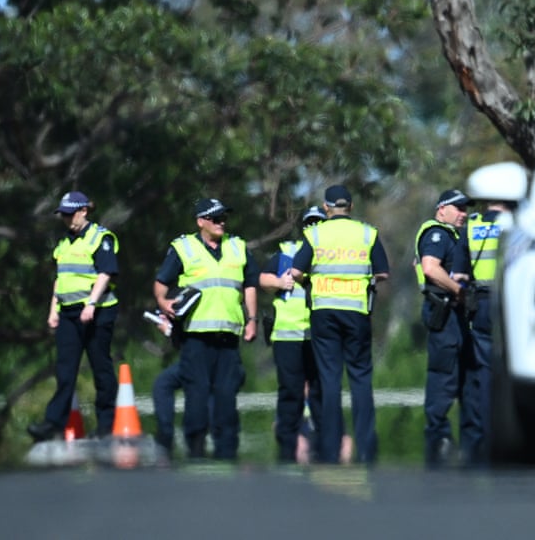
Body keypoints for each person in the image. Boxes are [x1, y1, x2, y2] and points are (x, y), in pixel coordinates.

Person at [290, 185, 389, 464]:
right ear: (351, 207)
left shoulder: (315, 234)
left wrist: (310, 282)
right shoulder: (367, 233)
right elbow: (382, 272)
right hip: (357, 312)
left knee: (330, 381)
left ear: (326, 208)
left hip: (324, 313)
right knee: (360, 380)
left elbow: (296, 272)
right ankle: (367, 449)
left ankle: (330, 450)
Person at [154, 198, 258, 459]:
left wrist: (252, 319)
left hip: (228, 337)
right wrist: (162, 301)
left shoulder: (238, 246)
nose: (222, 222)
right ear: (201, 221)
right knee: (197, 396)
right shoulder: (183, 247)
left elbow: (250, 285)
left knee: (226, 397)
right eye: (215, 218)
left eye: (224, 217)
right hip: (196, 338)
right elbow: (161, 282)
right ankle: (196, 449)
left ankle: (227, 451)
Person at [29, 191, 119, 442]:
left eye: (70, 214)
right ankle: (52, 424)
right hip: (68, 314)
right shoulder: (64, 244)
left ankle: (106, 425)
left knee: (101, 368)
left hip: (97, 312)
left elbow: (106, 273)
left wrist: (91, 303)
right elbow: (61, 279)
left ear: (84, 211)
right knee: (65, 370)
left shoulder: (100, 239)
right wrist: (52, 310)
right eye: (63, 215)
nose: (67, 220)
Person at [415, 188, 478, 468]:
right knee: (442, 382)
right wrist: (458, 291)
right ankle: (438, 445)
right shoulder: (437, 234)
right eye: (458, 208)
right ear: (442, 209)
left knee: (464, 384)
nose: (463, 214)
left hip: (457, 320)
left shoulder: (454, 235)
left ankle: (466, 446)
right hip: (445, 315)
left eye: (466, 209)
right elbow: (430, 268)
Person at [260, 205, 326, 463]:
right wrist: (279, 282)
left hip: (318, 336)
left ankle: (323, 444)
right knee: (291, 392)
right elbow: (263, 278)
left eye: (318, 222)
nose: (313, 227)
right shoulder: (288, 252)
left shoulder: (329, 255)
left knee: (320, 391)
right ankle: (286, 449)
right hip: (288, 336)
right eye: (309, 223)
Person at [462, 197, 513, 467]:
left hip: (478, 303)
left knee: (481, 373)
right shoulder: (518, 223)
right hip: (509, 302)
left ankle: (480, 444)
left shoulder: (471, 225)